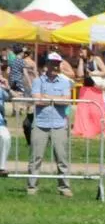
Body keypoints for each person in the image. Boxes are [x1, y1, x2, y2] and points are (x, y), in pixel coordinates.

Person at [27, 52, 74, 197]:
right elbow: (37, 101)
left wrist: (47, 97)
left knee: (62, 158)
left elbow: (66, 101)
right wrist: (56, 99)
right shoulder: (38, 81)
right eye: (52, 63)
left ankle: (64, 187)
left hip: (59, 124)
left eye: (57, 63)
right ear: (47, 64)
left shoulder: (65, 82)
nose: (55, 66)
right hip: (40, 124)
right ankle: (32, 187)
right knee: (35, 157)